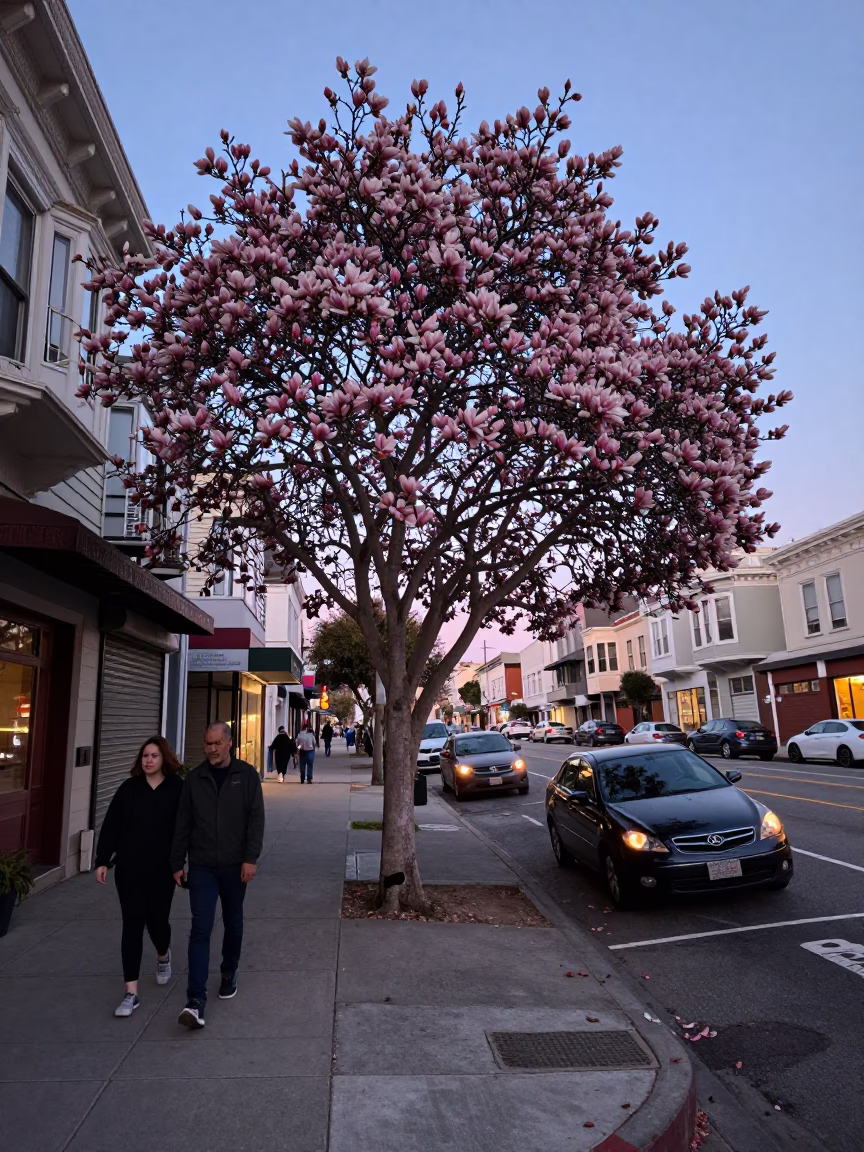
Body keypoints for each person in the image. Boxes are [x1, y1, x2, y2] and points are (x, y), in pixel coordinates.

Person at [170, 721, 264, 1029]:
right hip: (202, 867)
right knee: (201, 927)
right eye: (207, 744)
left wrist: (250, 858)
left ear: (229, 743)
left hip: (235, 866)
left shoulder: (246, 775)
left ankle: (228, 970)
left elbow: (256, 820)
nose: (211, 749)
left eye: (216, 743)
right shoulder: (194, 779)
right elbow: (183, 822)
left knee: (233, 921)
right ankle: (195, 1000)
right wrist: (176, 862)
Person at [94, 736, 184, 1018]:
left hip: (162, 871)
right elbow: (111, 826)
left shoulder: (177, 789)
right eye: (145, 755)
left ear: (164, 759)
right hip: (130, 870)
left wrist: (181, 864)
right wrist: (102, 860)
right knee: (132, 925)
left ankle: (162, 954)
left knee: (157, 922)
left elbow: (185, 829)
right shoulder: (128, 789)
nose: (148, 760)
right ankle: (131, 993)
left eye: (154, 756)